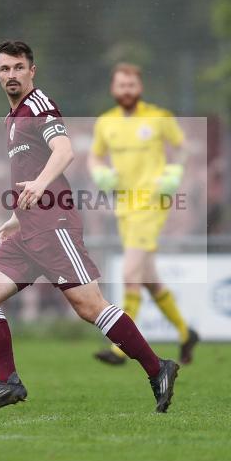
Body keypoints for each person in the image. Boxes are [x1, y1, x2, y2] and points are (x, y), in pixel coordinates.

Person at [0, 41, 180, 413]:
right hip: (28, 229)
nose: (12, 75)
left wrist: (38, 186)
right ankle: (9, 382)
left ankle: (157, 367)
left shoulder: (39, 107)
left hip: (54, 226)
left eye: (19, 67)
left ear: (32, 71)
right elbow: (32, 171)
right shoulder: (13, 118)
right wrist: (19, 215)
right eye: (5, 69)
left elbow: (64, 151)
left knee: (89, 306)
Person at [88, 63, 200, 366]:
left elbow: (184, 148)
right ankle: (185, 332)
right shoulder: (105, 123)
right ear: (113, 89)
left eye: (131, 85)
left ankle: (121, 348)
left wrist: (174, 173)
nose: (126, 90)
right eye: (121, 85)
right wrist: (100, 173)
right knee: (149, 278)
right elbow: (94, 155)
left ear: (140, 88)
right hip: (124, 205)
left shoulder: (159, 118)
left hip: (152, 202)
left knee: (129, 273)